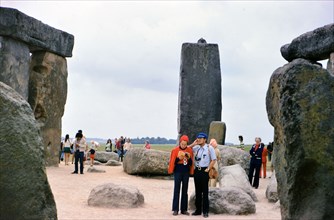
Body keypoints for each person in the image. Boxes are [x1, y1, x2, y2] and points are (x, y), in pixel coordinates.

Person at [189, 132, 216, 218]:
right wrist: (194, 143)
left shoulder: (209, 148)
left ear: (205, 139)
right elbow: (187, 148)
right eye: (198, 138)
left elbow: (213, 160)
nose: (199, 139)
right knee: (198, 191)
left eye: (201, 138)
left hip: (204, 171)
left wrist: (208, 169)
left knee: (205, 191)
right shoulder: (196, 148)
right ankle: (198, 210)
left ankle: (205, 211)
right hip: (197, 171)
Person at [168, 135, 194, 216]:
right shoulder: (175, 150)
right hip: (178, 170)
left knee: (185, 190)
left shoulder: (189, 150)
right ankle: (175, 209)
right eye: (182, 144)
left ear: (187, 143)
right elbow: (173, 162)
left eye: (185, 144)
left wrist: (188, 158)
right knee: (176, 189)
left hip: (185, 170)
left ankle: (184, 209)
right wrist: (179, 158)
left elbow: (191, 163)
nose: (183, 145)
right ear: (180, 143)